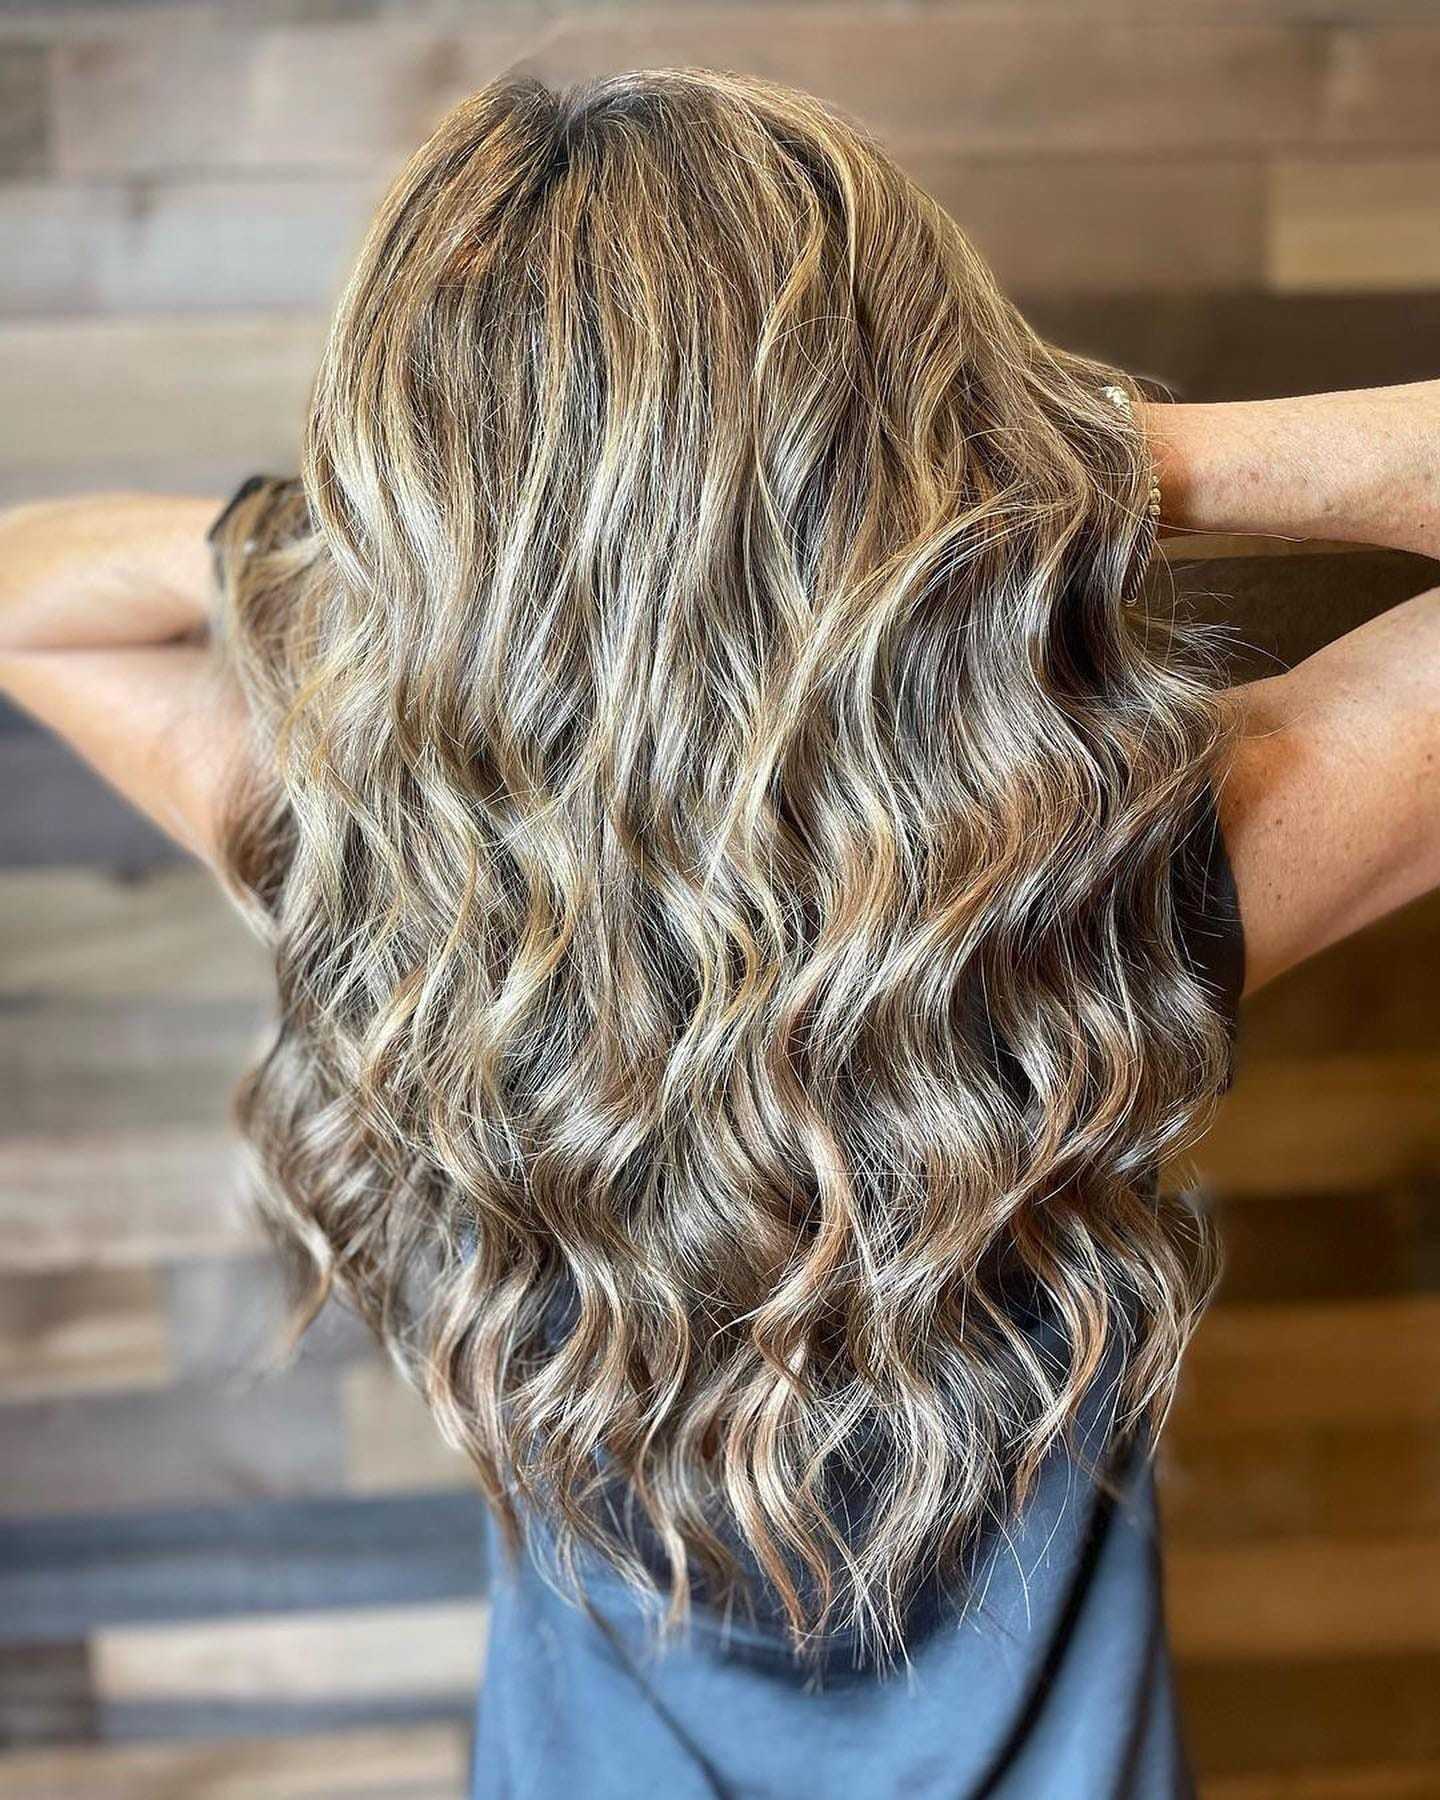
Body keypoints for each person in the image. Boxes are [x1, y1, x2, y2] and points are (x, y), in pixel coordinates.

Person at [1, 67, 1437, 1800]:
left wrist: (432, 548)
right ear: (912, 435)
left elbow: (35, 596)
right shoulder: (1104, 883)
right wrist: (1080, 463)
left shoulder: (389, 881)